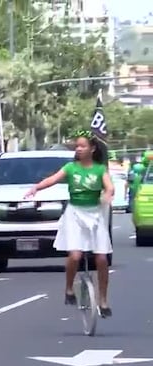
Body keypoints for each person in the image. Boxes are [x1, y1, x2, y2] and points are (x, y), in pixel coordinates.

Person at [25, 130, 114, 317]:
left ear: (92, 149)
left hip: (95, 214)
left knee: (102, 259)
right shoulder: (71, 168)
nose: (79, 149)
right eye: (77, 146)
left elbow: (109, 187)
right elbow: (52, 179)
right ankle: (68, 288)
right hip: (75, 214)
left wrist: (107, 195)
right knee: (75, 256)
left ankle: (103, 300)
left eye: (83, 146)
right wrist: (36, 188)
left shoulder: (99, 169)